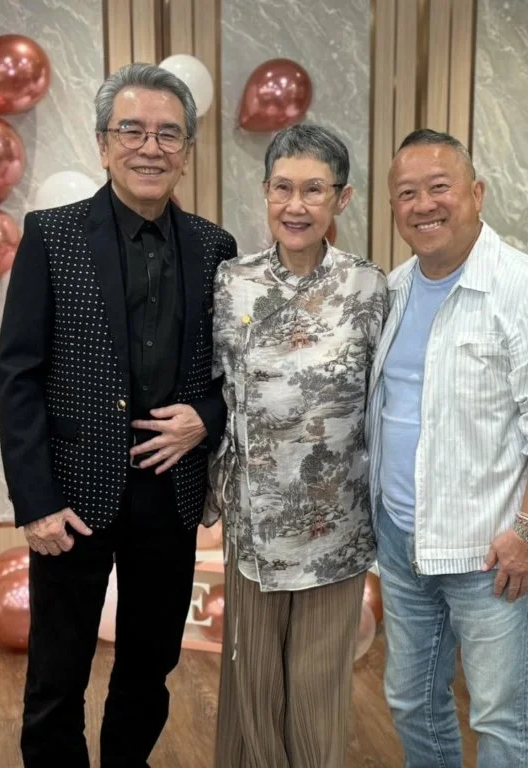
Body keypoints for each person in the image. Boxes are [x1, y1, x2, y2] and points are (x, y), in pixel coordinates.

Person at [0, 62, 236, 768]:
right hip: (70, 500)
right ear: (103, 144)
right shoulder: (52, 235)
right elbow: (18, 374)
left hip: (170, 493)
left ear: (188, 151)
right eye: (132, 130)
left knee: (149, 668)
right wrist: (35, 501)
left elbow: (235, 376)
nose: (149, 147)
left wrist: (207, 416)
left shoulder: (215, 249)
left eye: (168, 134)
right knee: (56, 676)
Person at [366, 129, 528, 767]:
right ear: (393, 206)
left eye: (439, 187)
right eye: (407, 193)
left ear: (477, 193)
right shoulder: (394, 289)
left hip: (491, 553)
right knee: (411, 700)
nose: (424, 205)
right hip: (403, 542)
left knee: (499, 716)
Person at [205, 123, 388, 768]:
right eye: (282, 188)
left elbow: (387, 400)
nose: (296, 205)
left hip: (335, 521)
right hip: (254, 519)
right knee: (252, 682)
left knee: (316, 688)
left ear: (342, 198)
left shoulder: (369, 287)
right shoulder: (232, 281)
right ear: (265, 192)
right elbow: (211, 388)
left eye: (314, 190)